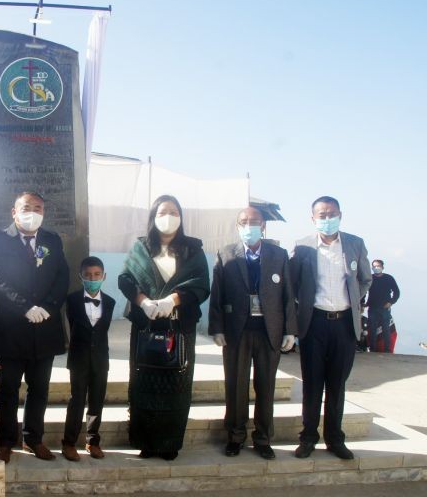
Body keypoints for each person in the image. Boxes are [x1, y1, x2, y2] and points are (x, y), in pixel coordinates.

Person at [118, 194, 210, 460]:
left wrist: (173, 300)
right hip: (146, 326)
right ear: (153, 218)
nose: (167, 217)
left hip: (180, 327)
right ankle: (145, 442)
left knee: (177, 384)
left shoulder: (193, 249)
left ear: (180, 218)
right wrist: (144, 302)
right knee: (143, 383)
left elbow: (201, 284)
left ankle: (169, 443)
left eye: (173, 212)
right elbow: (126, 279)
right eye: (161, 212)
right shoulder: (140, 248)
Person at [0, 191, 70, 463]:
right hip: (12, 327)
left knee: (40, 388)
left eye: (37, 207)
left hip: (44, 328)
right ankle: (6, 441)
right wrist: (25, 307)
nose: (31, 212)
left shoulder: (52, 240)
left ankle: (33, 439)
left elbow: (62, 277)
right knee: (9, 389)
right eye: (26, 207)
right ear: (14, 212)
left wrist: (48, 307)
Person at [208, 206, 296, 460]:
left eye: (254, 221)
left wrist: (290, 330)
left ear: (263, 226)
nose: (249, 226)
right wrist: (217, 328)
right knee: (235, 386)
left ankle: (263, 438)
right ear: (238, 227)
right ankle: (235, 436)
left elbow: (289, 295)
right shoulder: (226, 254)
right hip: (237, 331)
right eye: (244, 222)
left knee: (266, 387)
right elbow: (218, 294)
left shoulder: (278, 254)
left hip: (270, 331)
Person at [289, 196, 372, 460]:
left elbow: (365, 280)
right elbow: (292, 283)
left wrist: (351, 302)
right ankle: (308, 438)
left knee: (337, 384)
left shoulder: (354, 244)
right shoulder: (302, 247)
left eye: (331, 214)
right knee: (312, 384)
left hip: (344, 325)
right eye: (322, 215)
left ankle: (335, 439)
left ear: (340, 215)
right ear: (313, 218)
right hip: (314, 324)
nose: (327, 219)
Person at [61, 256, 115, 462]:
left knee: (97, 400)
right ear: (81, 277)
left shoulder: (110, 302)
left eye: (97, 275)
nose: (93, 278)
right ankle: (69, 442)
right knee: (77, 400)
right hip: (79, 358)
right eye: (88, 275)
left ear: (103, 276)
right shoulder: (72, 300)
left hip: (101, 358)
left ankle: (93, 441)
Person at [363, 259, 400, 353]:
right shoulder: (370, 279)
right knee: (372, 329)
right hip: (372, 308)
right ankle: (372, 350)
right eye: (374, 266)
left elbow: (397, 292)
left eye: (378, 266)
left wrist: (391, 302)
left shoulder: (389, 278)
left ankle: (387, 351)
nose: (376, 268)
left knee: (386, 329)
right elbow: (363, 291)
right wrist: (363, 303)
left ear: (382, 267)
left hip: (385, 308)